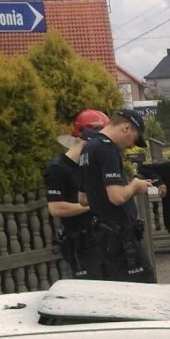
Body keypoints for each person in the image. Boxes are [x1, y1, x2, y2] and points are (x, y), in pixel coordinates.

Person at [76, 108, 155, 283]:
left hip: (102, 236)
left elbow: (83, 199)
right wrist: (134, 185)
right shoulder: (107, 148)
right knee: (146, 290)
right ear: (126, 128)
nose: (131, 145)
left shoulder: (87, 149)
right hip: (121, 238)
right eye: (134, 139)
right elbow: (117, 197)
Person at [44, 109, 108, 279]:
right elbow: (56, 208)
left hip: (101, 241)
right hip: (81, 245)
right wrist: (92, 204)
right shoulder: (58, 169)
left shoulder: (87, 165)